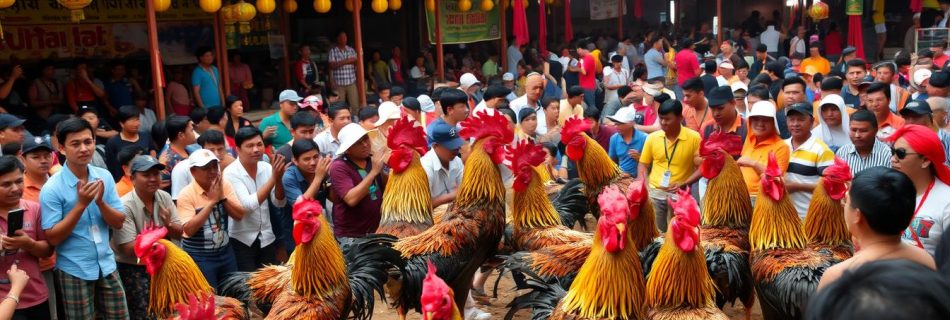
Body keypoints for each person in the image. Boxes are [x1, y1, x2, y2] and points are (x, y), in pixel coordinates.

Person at [40, 118, 129, 319]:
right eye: (75, 144)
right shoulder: (52, 188)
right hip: (74, 268)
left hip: (106, 264)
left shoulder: (104, 176)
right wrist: (81, 205)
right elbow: (52, 238)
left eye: (88, 142)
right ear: (61, 149)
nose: (84, 148)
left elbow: (119, 221)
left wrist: (100, 203)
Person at [818, 166, 937, 289]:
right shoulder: (925, 260)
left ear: (857, 215)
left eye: (847, 201)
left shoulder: (838, 276)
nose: (843, 205)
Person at [112, 155, 183, 320]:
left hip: (162, 265)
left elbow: (180, 232)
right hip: (133, 269)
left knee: (168, 311)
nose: (153, 179)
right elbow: (129, 249)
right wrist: (164, 233)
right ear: (133, 179)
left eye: (156, 174)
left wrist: (169, 226)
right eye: (146, 175)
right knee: (142, 314)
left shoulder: (164, 197)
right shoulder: (124, 206)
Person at [176, 149, 244, 289]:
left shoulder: (224, 184)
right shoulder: (185, 194)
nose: (212, 171)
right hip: (200, 256)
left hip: (225, 251)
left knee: (235, 294)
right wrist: (212, 202)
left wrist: (222, 198)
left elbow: (239, 215)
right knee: (209, 299)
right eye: (206, 168)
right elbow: (188, 230)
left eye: (214, 166)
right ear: (193, 171)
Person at [224, 127, 287, 271]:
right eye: (250, 146)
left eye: (259, 144)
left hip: (267, 237)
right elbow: (248, 205)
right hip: (242, 240)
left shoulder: (266, 168)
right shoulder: (231, 173)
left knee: (270, 285)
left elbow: (279, 202)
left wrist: (279, 180)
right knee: (248, 287)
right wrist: (274, 178)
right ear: (238, 149)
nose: (256, 150)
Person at [0, 155, 54, 319]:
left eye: (19, 181)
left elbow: (47, 251)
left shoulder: (34, 209)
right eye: (6, 184)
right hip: (4, 303)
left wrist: (29, 244)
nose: (15, 188)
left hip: (36, 295)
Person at [637, 100, 702, 231]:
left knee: (680, 231)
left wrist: (685, 182)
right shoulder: (652, 138)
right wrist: (643, 186)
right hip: (655, 191)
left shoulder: (694, 138)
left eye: (667, 119)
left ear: (680, 118)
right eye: (661, 119)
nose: (663, 123)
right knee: (655, 232)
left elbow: (702, 167)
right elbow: (643, 165)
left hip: (680, 193)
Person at [888, 125, 950, 255]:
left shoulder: (946, 201)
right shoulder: (888, 191)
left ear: (926, 160)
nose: (893, 159)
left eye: (900, 154)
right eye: (892, 151)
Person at [328, 123, 386, 242]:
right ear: (348, 149)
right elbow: (351, 199)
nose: (365, 144)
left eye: (365, 139)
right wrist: (374, 172)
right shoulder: (339, 167)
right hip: (351, 236)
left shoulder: (372, 159)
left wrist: (383, 169)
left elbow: (385, 187)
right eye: (358, 143)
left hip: (377, 230)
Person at [784, 103, 836, 218]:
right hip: (784, 216)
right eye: (791, 120)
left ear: (812, 122)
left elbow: (831, 186)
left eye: (801, 120)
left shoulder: (821, 150)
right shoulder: (781, 146)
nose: (795, 124)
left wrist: (797, 186)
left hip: (810, 216)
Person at [281, 139, 331, 254]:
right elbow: (301, 206)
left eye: (315, 157)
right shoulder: (289, 177)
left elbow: (335, 199)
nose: (313, 162)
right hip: (297, 237)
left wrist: (330, 177)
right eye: (307, 159)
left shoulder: (323, 170)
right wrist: (318, 178)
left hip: (321, 232)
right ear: (295, 160)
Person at [738, 101, 791, 201]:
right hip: (741, 198)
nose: (760, 124)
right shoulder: (749, 139)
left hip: (764, 200)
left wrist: (754, 164)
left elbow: (777, 180)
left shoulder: (781, 147)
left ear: (773, 123)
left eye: (765, 120)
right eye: (756, 119)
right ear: (750, 121)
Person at [170, 130, 234, 200]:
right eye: (211, 150)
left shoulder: (218, 166)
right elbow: (178, 200)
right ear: (201, 148)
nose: (216, 154)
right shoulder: (181, 169)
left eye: (220, 149)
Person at [105, 105, 156, 182]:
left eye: (137, 119)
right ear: (122, 123)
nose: (136, 123)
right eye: (132, 120)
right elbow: (111, 167)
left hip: (146, 180)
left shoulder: (146, 135)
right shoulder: (113, 142)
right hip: (125, 184)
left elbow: (152, 149)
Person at [421, 121, 464, 208]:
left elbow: (464, 191)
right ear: (435, 145)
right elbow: (422, 206)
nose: (456, 148)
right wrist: (450, 196)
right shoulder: (425, 167)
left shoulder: (457, 161)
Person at [607, 108, 648, 178]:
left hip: (641, 179)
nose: (616, 126)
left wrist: (640, 158)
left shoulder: (644, 138)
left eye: (619, 124)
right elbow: (612, 162)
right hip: (621, 177)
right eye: (616, 123)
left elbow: (652, 165)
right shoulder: (614, 139)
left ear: (631, 123)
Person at [158, 115, 195, 186]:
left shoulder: (188, 149)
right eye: (192, 130)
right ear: (181, 135)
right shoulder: (167, 160)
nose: (194, 134)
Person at [328, 31, 360, 114]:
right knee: (339, 106)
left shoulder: (351, 50)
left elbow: (356, 62)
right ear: (338, 39)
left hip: (351, 81)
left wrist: (342, 62)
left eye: (345, 37)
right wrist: (347, 61)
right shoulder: (333, 51)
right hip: (339, 83)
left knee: (354, 105)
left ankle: (355, 121)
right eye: (342, 37)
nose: (344, 39)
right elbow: (332, 65)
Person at [18, 138, 52, 203]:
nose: (43, 161)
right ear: (23, 160)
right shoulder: (18, 187)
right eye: (35, 157)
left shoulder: (59, 180)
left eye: (47, 156)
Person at [577, 43, 598, 109]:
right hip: (585, 86)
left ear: (581, 49)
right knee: (586, 106)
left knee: (591, 107)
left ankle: (594, 119)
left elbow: (584, 72)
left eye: (578, 51)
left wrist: (582, 62)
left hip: (588, 87)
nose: (578, 53)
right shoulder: (585, 58)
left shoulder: (587, 58)